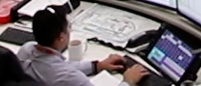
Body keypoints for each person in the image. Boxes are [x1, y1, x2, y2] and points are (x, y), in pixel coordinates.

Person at [16, 7, 147, 85]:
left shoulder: (26, 50)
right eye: (68, 28)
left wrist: (97, 66)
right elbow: (62, 71)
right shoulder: (69, 77)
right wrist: (128, 81)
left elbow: (56, 65)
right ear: (61, 37)